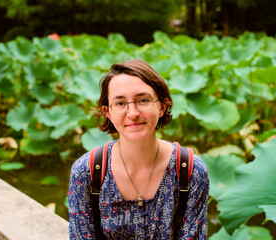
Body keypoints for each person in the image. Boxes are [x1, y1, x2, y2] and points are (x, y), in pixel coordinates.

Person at [68, 59, 209, 239]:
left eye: (143, 100)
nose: (133, 113)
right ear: (108, 113)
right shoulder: (86, 171)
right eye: (120, 103)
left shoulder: (190, 171)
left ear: (162, 107)